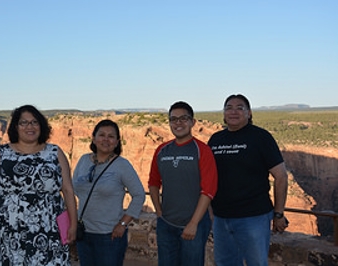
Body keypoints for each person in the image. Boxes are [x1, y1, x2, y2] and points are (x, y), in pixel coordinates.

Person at [0, 105, 78, 265]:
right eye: (23, 123)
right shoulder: (0, 154)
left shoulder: (55, 153)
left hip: (49, 230)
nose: (29, 127)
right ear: (15, 127)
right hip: (9, 231)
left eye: (34, 122)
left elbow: (67, 190)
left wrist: (73, 225)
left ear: (41, 125)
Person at [208, 94, 289, 266]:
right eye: (229, 107)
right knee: (224, 263)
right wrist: (210, 211)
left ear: (249, 113)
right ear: (223, 113)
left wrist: (279, 213)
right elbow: (208, 177)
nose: (234, 112)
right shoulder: (215, 140)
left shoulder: (261, 137)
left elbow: (281, 176)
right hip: (221, 218)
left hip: (254, 217)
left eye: (240, 107)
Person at [148, 101, 218, 266]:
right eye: (174, 119)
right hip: (166, 224)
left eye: (183, 118)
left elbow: (208, 190)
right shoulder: (161, 150)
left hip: (195, 225)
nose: (178, 123)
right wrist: (159, 212)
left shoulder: (202, 150)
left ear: (192, 122)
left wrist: (193, 223)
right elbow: (153, 183)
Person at [72, 119, 145, 266]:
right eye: (102, 135)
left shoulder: (122, 165)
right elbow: (74, 189)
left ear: (117, 142)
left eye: (111, 136)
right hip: (83, 233)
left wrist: (123, 224)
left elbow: (139, 195)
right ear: (94, 138)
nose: (106, 139)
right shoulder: (84, 160)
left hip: (109, 235)